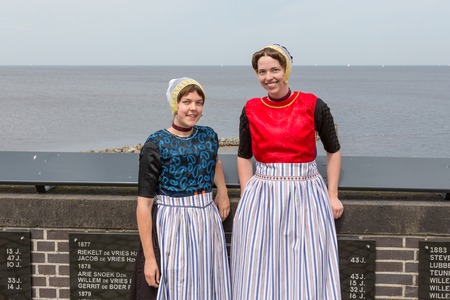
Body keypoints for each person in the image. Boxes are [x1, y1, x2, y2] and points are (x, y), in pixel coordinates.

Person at [230, 44, 344, 299]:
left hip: (306, 192)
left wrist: (332, 193)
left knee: (307, 263)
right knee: (260, 265)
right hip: (264, 195)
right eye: (262, 72)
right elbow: (244, 155)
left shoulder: (312, 104)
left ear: (286, 70)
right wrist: (248, 193)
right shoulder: (251, 108)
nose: (268, 77)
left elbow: (333, 150)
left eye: (274, 69)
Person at [128, 77, 231, 300]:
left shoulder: (209, 135)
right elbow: (144, 205)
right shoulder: (155, 144)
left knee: (209, 282)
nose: (193, 108)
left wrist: (222, 191)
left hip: (207, 222)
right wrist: (150, 258)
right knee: (177, 284)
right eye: (187, 101)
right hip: (172, 223)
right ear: (175, 105)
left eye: (199, 102)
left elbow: (215, 162)